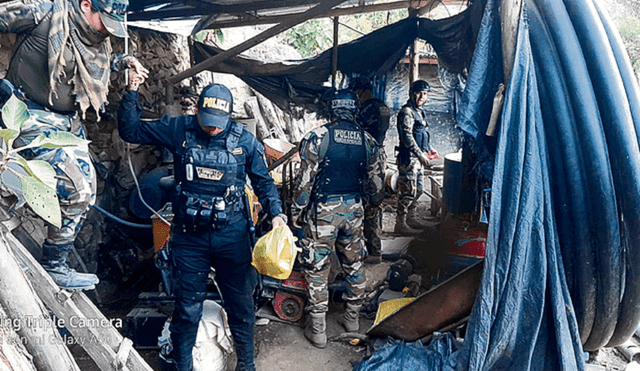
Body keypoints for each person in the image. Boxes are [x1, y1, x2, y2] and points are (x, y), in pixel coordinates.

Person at [119, 76, 287, 371]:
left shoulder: (244, 141)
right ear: (196, 110)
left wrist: (276, 215)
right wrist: (132, 90)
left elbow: (264, 183)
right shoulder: (178, 128)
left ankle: (246, 365)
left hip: (232, 236)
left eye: (219, 121)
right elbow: (130, 130)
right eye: (207, 120)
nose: (212, 127)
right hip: (189, 237)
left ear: (230, 115)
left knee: (241, 306)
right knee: (186, 309)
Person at [0, 0, 149, 290]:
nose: (108, 31)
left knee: (89, 190)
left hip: (66, 123)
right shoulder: (44, 13)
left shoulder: (94, 39)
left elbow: (83, 61)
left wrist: (123, 63)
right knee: (77, 188)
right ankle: (53, 264)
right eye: (104, 21)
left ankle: (55, 261)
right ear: (85, 5)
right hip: (28, 115)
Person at [291, 89, 385, 348]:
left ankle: (318, 330)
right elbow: (376, 184)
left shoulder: (317, 138)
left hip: (323, 212)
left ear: (332, 110)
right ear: (355, 110)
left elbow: (305, 183)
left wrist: (296, 212)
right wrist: (372, 207)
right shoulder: (368, 141)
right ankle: (352, 320)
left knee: (318, 267)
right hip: (354, 210)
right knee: (354, 264)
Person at [350, 76, 391, 259]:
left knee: (367, 205)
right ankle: (375, 248)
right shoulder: (382, 106)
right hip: (379, 155)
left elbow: (357, 132)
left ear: (361, 91)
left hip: (367, 158)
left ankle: (370, 250)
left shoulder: (366, 109)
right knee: (376, 202)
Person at [395, 80, 439, 235]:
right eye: (419, 93)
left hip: (418, 159)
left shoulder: (419, 111)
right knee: (407, 192)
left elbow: (420, 133)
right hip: (409, 159)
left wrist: (429, 148)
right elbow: (407, 137)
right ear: (412, 94)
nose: (422, 96)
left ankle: (411, 218)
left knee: (419, 190)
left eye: (425, 94)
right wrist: (420, 154)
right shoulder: (406, 112)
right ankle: (400, 224)